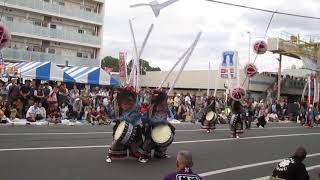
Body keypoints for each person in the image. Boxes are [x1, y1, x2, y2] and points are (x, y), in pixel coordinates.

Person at [106, 87, 143, 163]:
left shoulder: (135, 110)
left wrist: (122, 118)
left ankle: (138, 155)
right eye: (123, 104)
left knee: (134, 143)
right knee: (116, 141)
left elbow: (132, 119)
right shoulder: (119, 110)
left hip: (134, 127)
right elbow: (112, 115)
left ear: (131, 103)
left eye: (127, 104)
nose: (125, 105)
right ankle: (109, 155)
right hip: (122, 126)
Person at [138, 90, 175, 163]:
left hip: (160, 127)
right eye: (164, 99)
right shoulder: (151, 107)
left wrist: (167, 124)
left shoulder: (164, 106)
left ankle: (160, 154)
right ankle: (143, 156)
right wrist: (161, 122)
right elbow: (147, 119)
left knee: (163, 137)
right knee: (149, 141)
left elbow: (164, 117)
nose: (165, 101)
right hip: (150, 127)